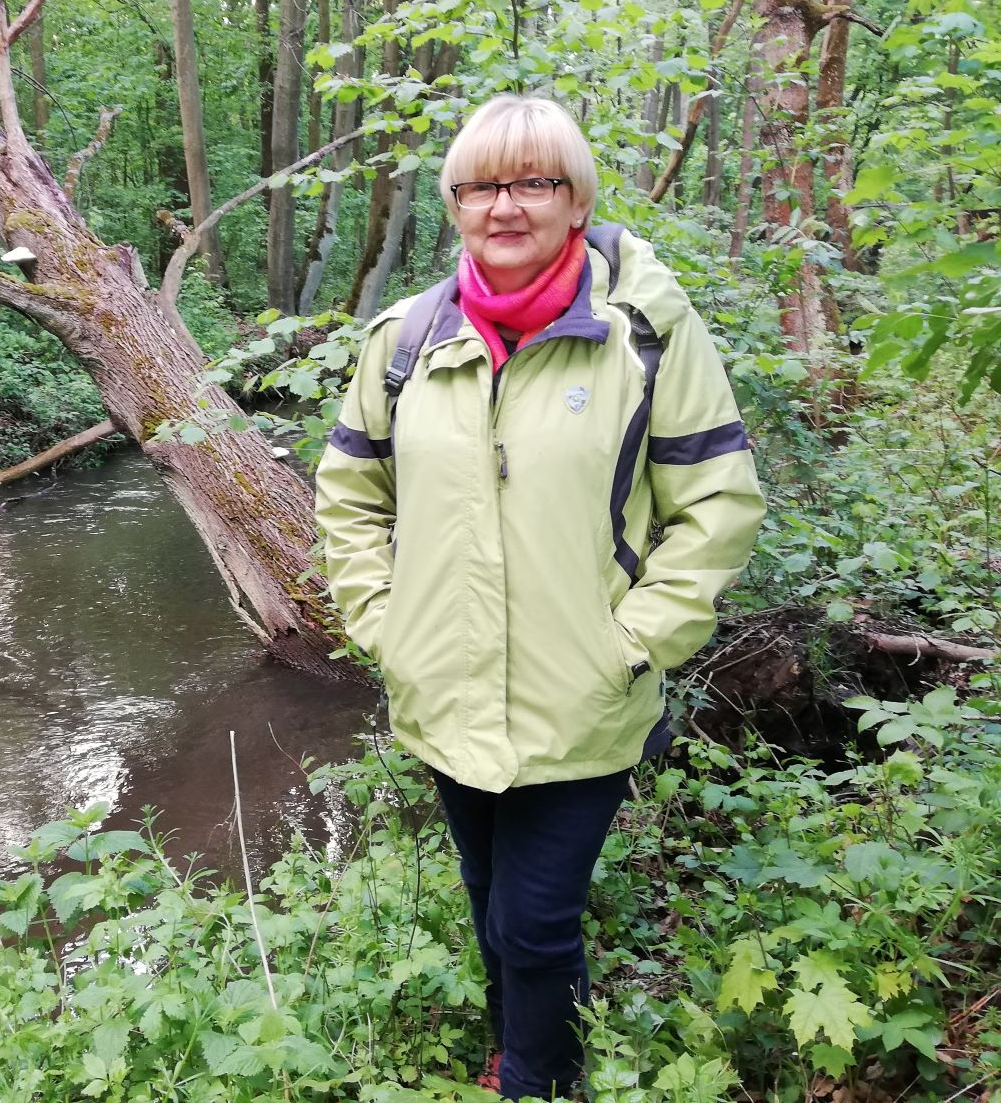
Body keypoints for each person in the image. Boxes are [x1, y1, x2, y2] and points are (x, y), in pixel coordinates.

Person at [314, 94, 765, 1100]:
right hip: (444, 683)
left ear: (576, 199)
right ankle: (517, 1040)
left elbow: (719, 503)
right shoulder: (405, 339)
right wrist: (385, 624)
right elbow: (349, 492)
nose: (504, 205)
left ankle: (539, 1079)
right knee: (488, 899)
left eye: (533, 182)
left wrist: (631, 643)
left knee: (534, 918)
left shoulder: (644, 334)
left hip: (583, 693)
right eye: (479, 186)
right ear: (454, 204)